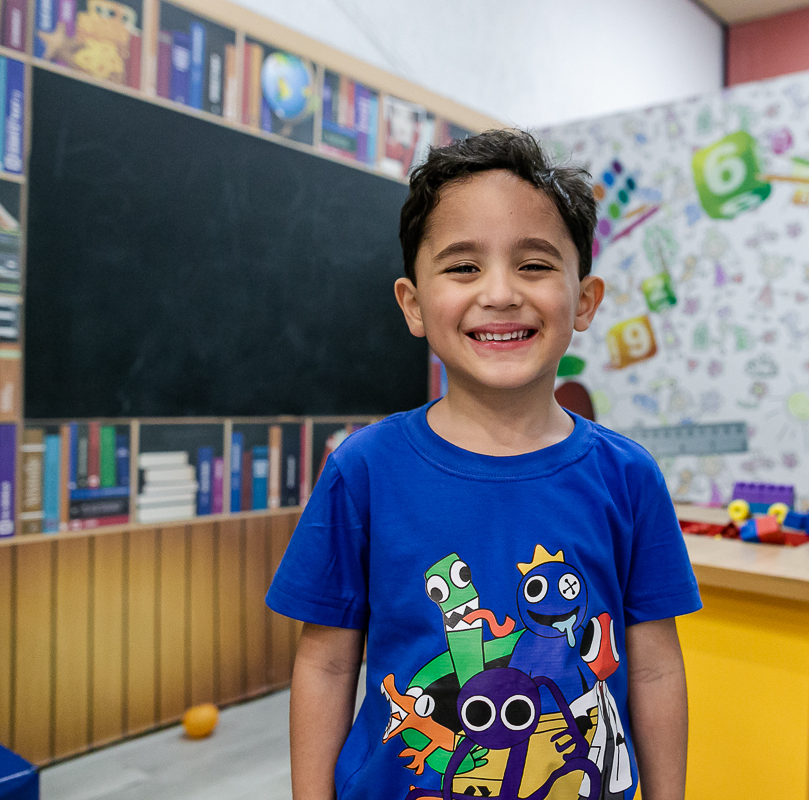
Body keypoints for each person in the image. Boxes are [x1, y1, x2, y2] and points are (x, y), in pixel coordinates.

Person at [267, 129, 701, 800]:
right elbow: (325, 662)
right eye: (463, 267)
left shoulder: (628, 477)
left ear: (583, 300)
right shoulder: (364, 469)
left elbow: (652, 671)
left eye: (533, 264)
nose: (499, 293)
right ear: (414, 304)